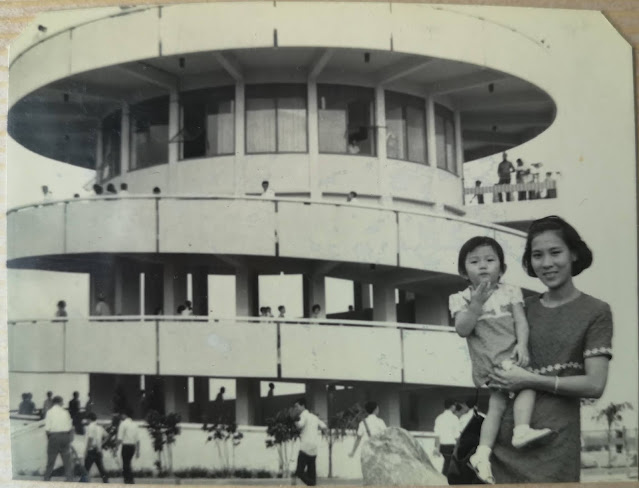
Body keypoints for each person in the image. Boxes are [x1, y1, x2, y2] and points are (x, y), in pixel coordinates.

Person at [487, 216, 612, 483]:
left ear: (574, 254)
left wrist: (531, 379)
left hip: (555, 444)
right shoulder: (521, 308)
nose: (546, 263)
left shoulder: (596, 311)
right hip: (503, 447)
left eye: (555, 252)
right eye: (537, 255)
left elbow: (595, 384)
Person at [449, 236, 552, 483]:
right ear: (464, 271)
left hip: (511, 353)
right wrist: (476, 305)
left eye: (490, 260)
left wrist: (523, 346)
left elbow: (521, 321)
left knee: (496, 407)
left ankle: (482, 454)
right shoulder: (460, 298)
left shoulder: (510, 291)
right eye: (474, 262)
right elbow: (463, 329)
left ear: (502, 268)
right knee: (528, 384)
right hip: (490, 360)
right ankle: (521, 429)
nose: (483, 266)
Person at [292, 398, 327, 486]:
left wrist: (294, 420)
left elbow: (299, 425)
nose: (296, 408)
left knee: (299, 472)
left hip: (305, 448)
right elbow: (324, 426)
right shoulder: (314, 417)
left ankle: (311, 483)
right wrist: (323, 433)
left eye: (297, 406)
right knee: (312, 476)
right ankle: (312, 483)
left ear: (303, 406)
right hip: (314, 449)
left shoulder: (303, 415)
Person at [43, 395, 74, 482]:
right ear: (60, 402)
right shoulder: (66, 412)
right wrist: (69, 439)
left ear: (53, 403)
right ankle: (69, 479)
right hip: (65, 436)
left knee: (50, 461)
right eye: (62, 402)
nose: (63, 403)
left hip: (54, 437)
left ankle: (46, 478)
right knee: (67, 461)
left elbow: (47, 429)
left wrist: (50, 439)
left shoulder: (49, 412)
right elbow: (70, 428)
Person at [433, 399, 461, 475]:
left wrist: (437, 448)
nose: (455, 407)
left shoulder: (439, 418)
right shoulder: (454, 418)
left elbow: (436, 435)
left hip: (442, 446)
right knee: (449, 467)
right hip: (451, 446)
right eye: (455, 405)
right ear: (452, 407)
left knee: (444, 465)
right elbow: (457, 436)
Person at [117, 408, 140, 484]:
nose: (121, 416)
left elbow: (120, 438)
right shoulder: (134, 424)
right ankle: (129, 480)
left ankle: (128, 480)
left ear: (125, 415)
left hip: (126, 446)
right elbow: (137, 440)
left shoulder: (123, 424)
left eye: (122, 414)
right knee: (128, 463)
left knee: (125, 464)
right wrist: (138, 451)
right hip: (132, 447)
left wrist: (116, 447)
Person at [84, 412, 109, 483]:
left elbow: (90, 439)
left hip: (91, 450)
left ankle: (82, 483)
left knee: (86, 468)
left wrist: (86, 450)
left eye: (87, 419)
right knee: (101, 468)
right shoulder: (99, 427)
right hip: (98, 450)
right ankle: (106, 482)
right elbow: (107, 436)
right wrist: (101, 443)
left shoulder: (90, 427)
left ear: (89, 419)